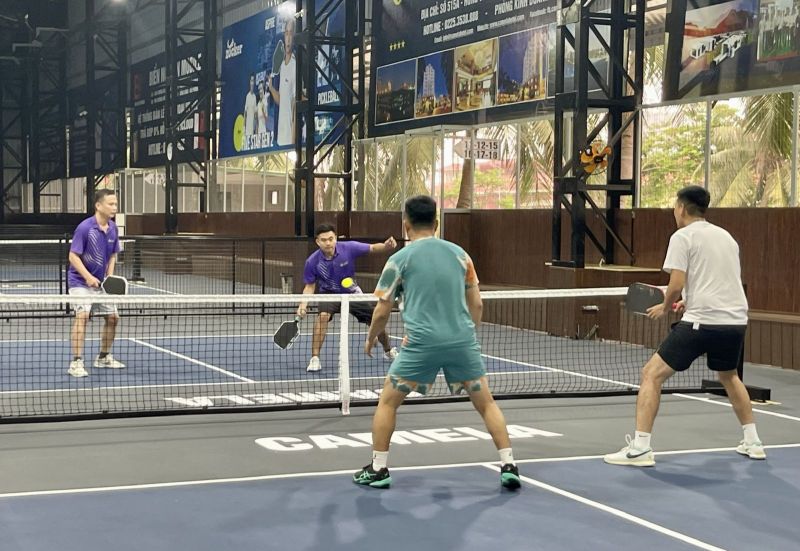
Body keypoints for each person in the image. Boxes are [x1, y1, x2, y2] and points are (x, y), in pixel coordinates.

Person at [352, 195, 521, 490]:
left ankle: (378, 469)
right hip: (462, 342)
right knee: (486, 403)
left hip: (421, 344)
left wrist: (371, 338)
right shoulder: (460, 255)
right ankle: (509, 464)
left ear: (406, 225)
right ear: (437, 223)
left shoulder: (399, 259)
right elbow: (477, 304)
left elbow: (381, 310)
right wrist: (466, 336)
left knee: (388, 403)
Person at [604, 185, 765, 467]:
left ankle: (640, 448)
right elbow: (718, 280)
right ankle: (753, 442)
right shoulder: (726, 238)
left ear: (680, 208)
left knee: (651, 374)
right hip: (735, 322)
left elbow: (676, 283)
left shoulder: (682, 237)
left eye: (674, 206)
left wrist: (666, 306)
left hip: (702, 323)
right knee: (729, 376)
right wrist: (687, 302)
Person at [297, 224, 399, 372]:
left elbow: (372, 248)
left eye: (331, 239)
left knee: (376, 319)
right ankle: (315, 359)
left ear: (335, 238)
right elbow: (309, 286)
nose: (328, 243)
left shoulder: (348, 248)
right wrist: (303, 304)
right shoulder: (312, 262)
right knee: (323, 317)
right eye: (324, 240)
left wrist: (386, 246)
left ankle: (388, 351)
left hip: (352, 293)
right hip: (329, 294)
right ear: (318, 242)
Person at [67, 189, 126, 378]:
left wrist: (109, 278)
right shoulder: (85, 228)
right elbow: (73, 256)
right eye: (111, 204)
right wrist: (87, 277)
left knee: (113, 318)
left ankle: (103, 357)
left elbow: (113, 255)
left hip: (101, 284)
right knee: (82, 316)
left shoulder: (113, 228)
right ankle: (76, 362)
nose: (115, 207)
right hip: (80, 282)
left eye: (116, 204)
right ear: (98, 206)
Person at [268, 17, 296, 146]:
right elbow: (281, 99)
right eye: (286, 33)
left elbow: (294, 105)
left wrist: (293, 141)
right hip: (280, 138)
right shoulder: (282, 66)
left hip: (290, 138)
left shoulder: (295, 66)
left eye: (291, 34)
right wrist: (271, 88)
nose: (288, 38)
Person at [244, 73, 258, 137]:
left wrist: (256, 127)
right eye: (251, 81)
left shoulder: (254, 97)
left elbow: (255, 113)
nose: (252, 83)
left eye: (253, 81)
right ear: (249, 82)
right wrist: (244, 126)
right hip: (247, 128)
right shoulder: (247, 96)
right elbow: (245, 112)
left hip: (252, 128)